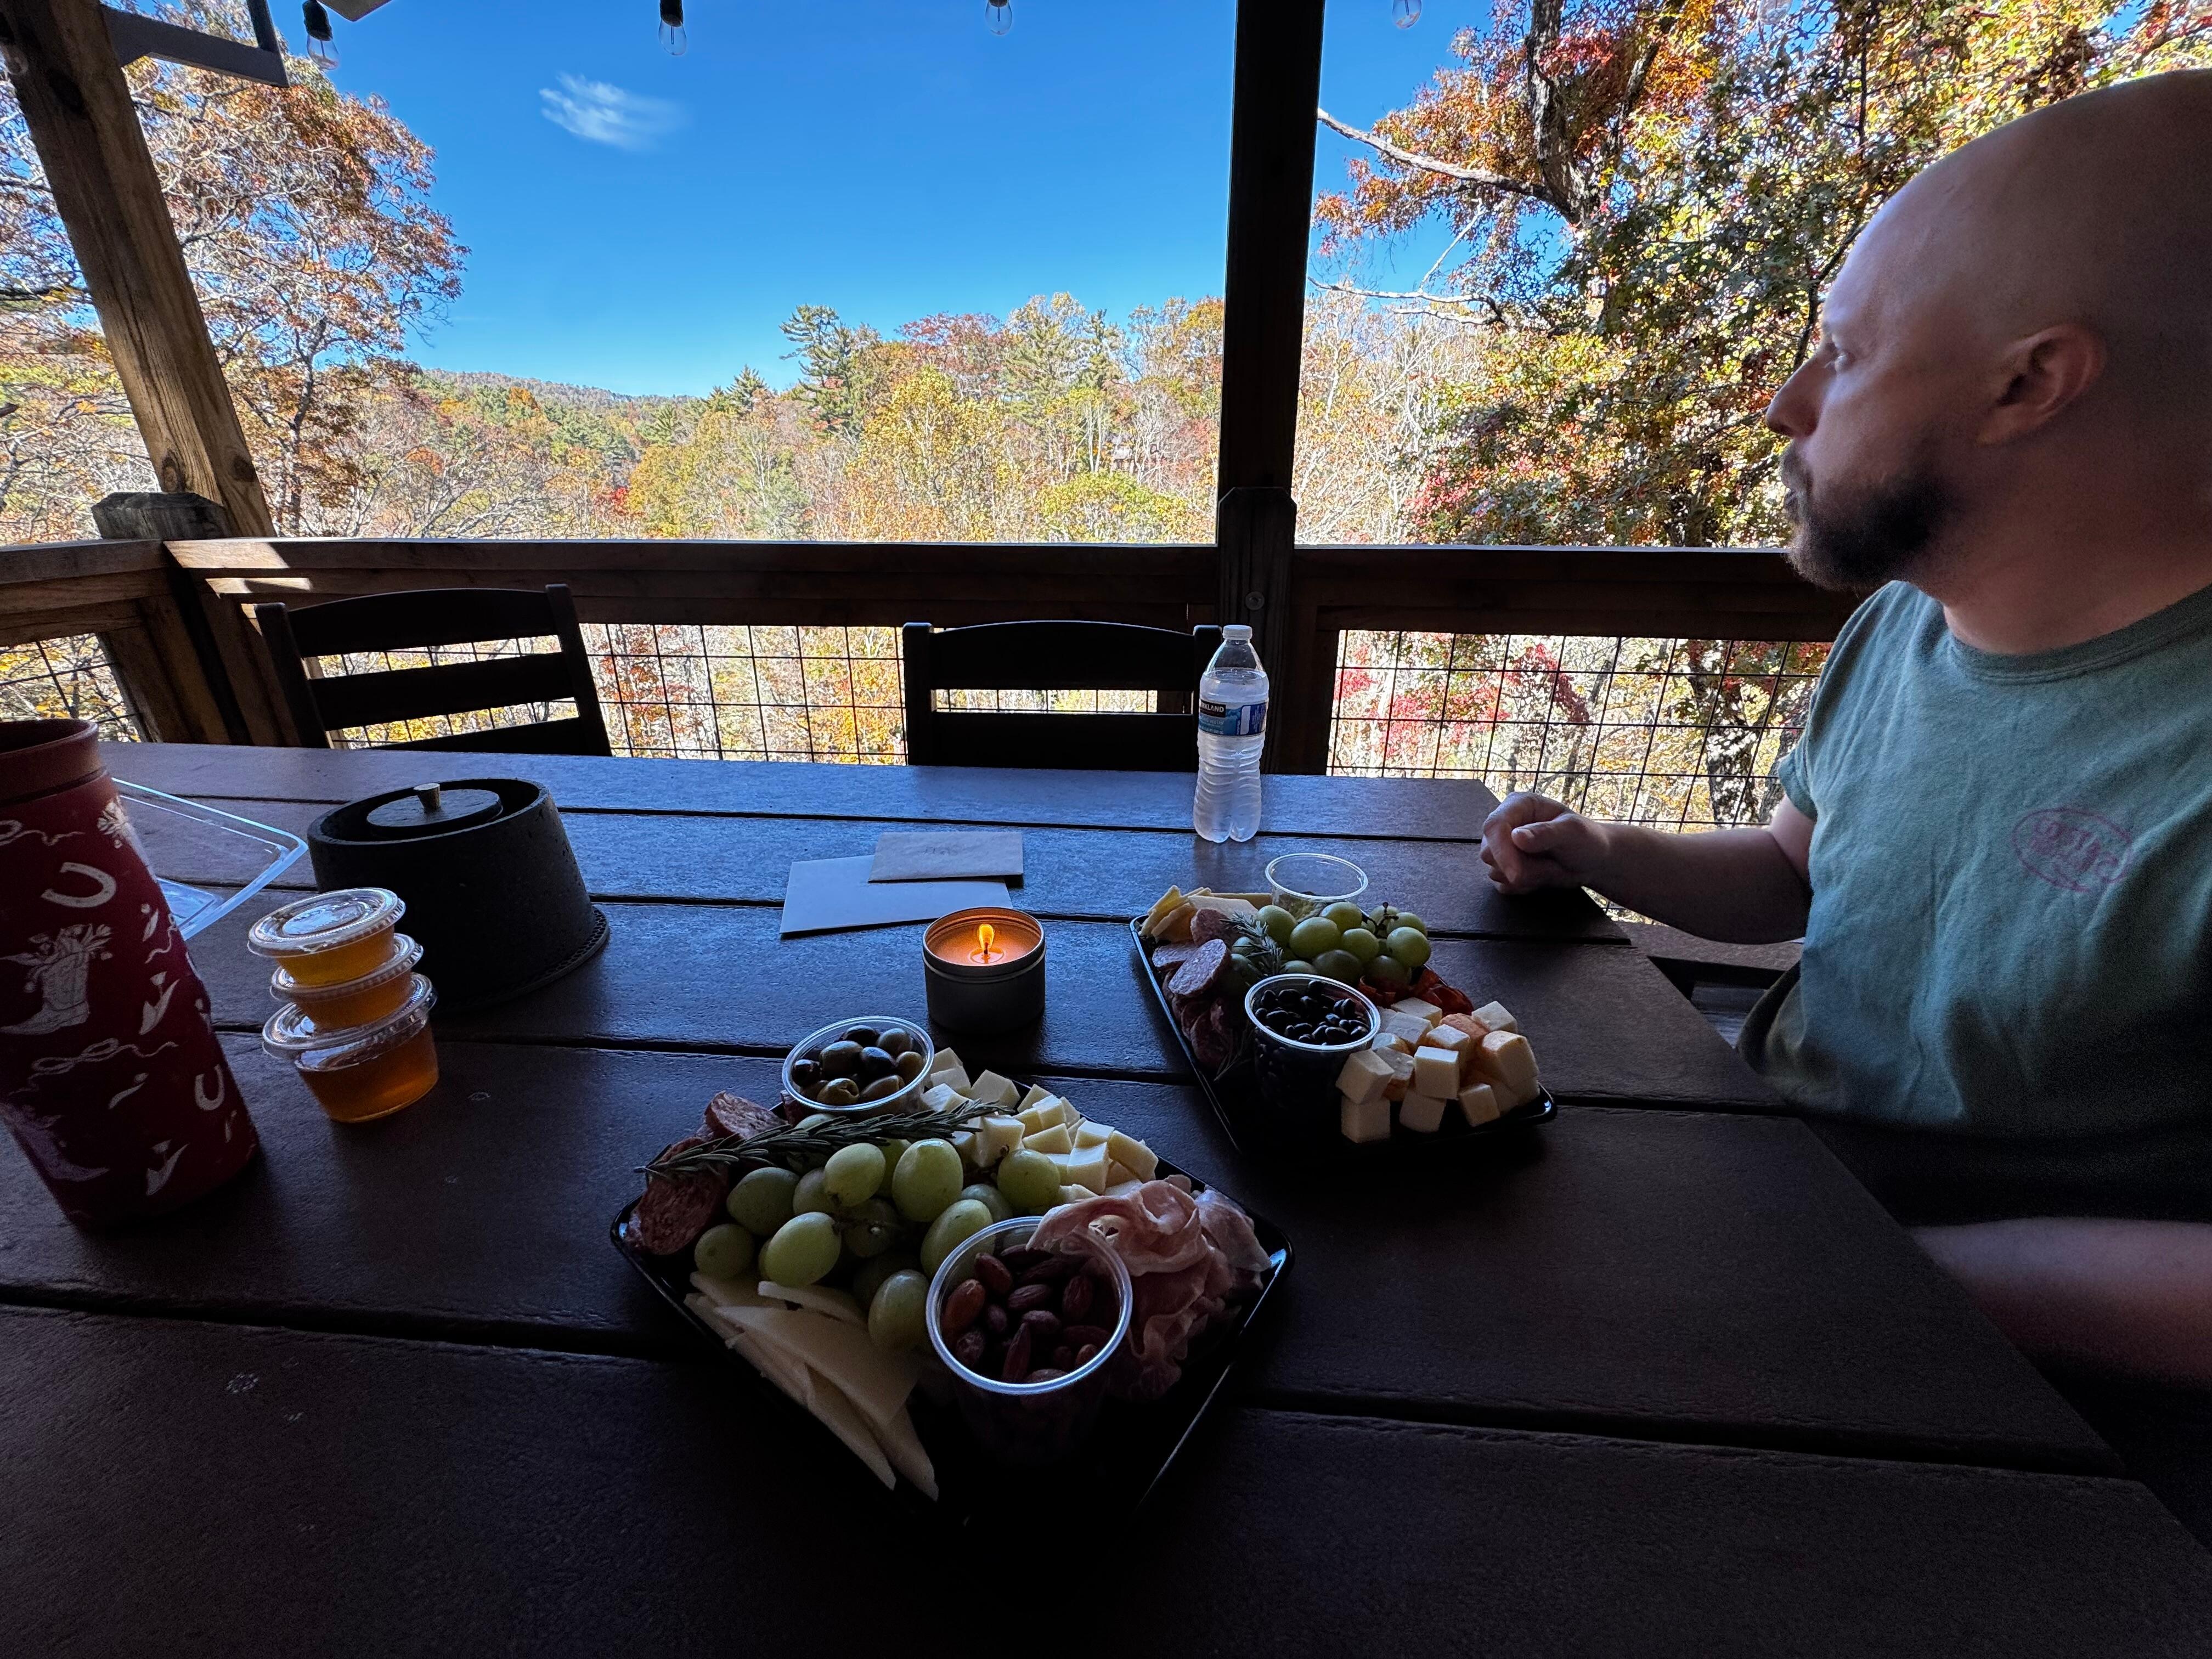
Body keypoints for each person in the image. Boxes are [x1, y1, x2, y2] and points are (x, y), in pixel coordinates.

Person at [1479, 70, 2212, 1385]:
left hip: (2025, 1395)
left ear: (2031, 382)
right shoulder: (1910, 624)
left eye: (1846, 349)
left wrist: (1885, 1275)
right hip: (1767, 1185)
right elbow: (1794, 871)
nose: (1788, 405)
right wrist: (1607, 848)